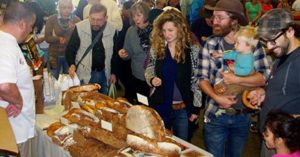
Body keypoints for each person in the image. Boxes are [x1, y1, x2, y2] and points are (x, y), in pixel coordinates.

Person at [197, 0, 270, 156]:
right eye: (214, 17)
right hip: (215, 115)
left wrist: (236, 80)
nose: (213, 21)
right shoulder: (210, 44)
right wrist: (217, 97)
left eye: (220, 18)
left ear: (234, 20)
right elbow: (201, 78)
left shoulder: (253, 45)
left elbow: (264, 77)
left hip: (243, 116)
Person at [246, 8, 300, 157]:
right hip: (271, 141)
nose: (269, 47)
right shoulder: (280, 56)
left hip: (288, 147)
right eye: (266, 42)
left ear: (290, 31)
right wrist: (263, 93)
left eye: (272, 40)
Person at [145, 9, 200, 141]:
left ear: (180, 29)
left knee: (183, 144)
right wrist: (152, 79)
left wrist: (196, 108)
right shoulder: (157, 48)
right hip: (160, 105)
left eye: (170, 30)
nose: (166, 34)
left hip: (183, 107)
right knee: (160, 142)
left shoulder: (192, 50)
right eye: (163, 31)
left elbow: (197, 80)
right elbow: (149, 68)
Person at [0, 2, 36, 157]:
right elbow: (4, 86)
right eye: (31, 26)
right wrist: (18, 101)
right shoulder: (5, 44)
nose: (30, 30)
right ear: (22, 24)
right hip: (14, 129)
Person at [66, 4, 118, 94]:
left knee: (103, 102)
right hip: (85, 74)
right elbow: (70, 49)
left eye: (99, 20)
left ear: (106, 18)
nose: (95, 23)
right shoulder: (79, 27)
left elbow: (115, 54)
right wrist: (71, 64)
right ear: (88, 16)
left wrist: (114, 73)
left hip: (104, 73)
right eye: (92, 19)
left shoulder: (112, 30)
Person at [118, 2, 152, 102]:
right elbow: (128, 51)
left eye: (138, 15)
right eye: (133, 16)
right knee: (142, 103)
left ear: (145, 14)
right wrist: (124, 54)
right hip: (137, 76)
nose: (135, 19)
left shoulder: (156, 30)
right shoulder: (131, 31)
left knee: (153, 107)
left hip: (154, 76)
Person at [45, 0, 80, 79]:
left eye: (69, 7)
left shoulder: (77, 20)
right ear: (59, 8)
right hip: (54, 55)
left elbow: (80, 39)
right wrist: (58, 39)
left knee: (69, 80)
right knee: (53, 79)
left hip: (70, 56)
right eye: (63, 7)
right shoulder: (52, 19)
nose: (66, 10)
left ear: (72, 8)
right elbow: (47, 37)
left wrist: (73, 30)